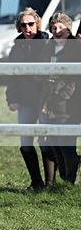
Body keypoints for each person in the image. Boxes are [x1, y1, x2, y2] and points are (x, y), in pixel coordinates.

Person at [4, 8, 52, 190]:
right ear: (19, 27)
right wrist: (11, 99)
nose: (27, 28)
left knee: (46, 141)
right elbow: (12, 77)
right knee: (25, 143)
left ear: (37, 24)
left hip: (44, 100)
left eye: (31, 24)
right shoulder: (16, 49)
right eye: (23, 25)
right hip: (25, 101)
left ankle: (50, 184)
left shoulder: (47, 44)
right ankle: (36, 182)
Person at [38, 13, 81, 186]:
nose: (57, 31)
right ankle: (64, 178)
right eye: (54, 27)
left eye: (61, 27)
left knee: (66, 144)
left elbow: (75, 79)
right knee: (54, 143)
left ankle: (71, 180)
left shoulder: (76, 47)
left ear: (68, 29)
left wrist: (64, 94)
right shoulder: (48, 47)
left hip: (67, 104)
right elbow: (40, 70)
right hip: (47, 101)